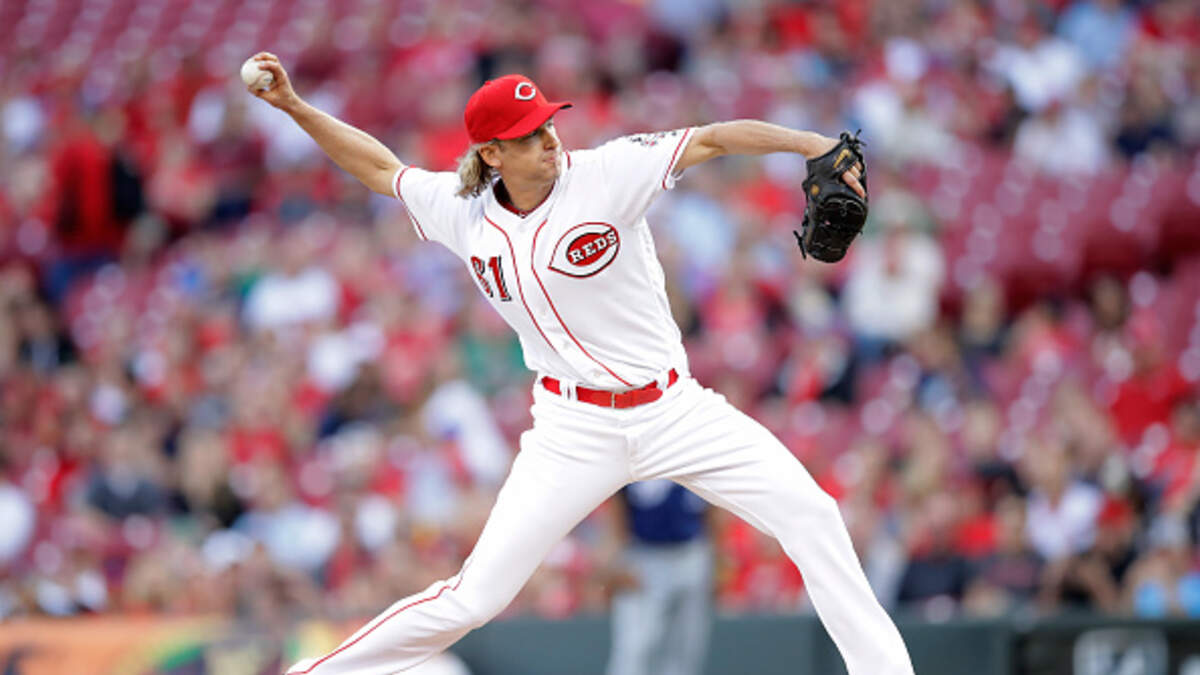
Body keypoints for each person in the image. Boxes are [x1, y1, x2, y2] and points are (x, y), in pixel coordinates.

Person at [243, 53, 913, 675]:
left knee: (812, 515)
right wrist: (297, 107)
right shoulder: (464, 214)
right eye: (529, 134)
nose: (549, 138)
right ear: (492, 152)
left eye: (548, 124)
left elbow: (711, 138)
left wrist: (808, 145)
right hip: (572, 430)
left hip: (674, 409)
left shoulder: (607, 173)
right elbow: (379, 169)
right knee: (472, 598)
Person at [602, 480, 712, 675]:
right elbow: (616, 508)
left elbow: (715, 508)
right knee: (635, 645)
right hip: (643, 555)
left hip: (691, 551)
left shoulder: (696, 453)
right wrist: (618, 561)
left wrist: (715, 557)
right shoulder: (634, 453)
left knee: (685, 647)